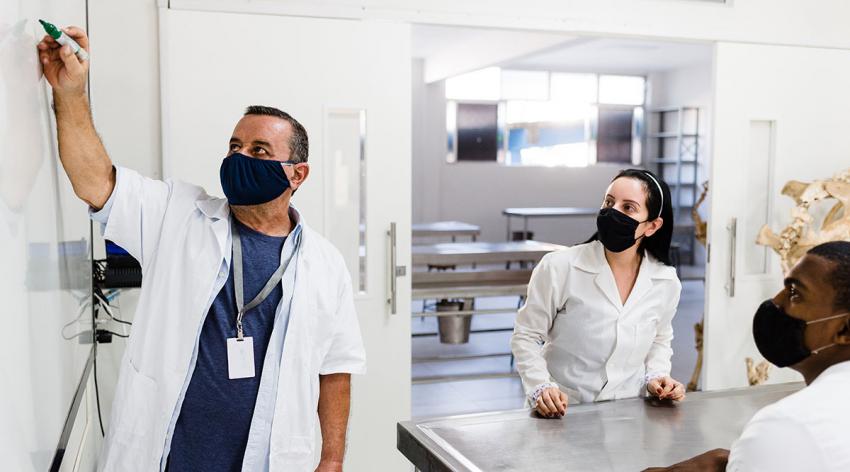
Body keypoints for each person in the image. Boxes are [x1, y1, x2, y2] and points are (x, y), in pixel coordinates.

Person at [37, 27, 365, 472]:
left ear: (297, 174)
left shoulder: (325, 264)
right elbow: (92, 179)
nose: (238, 157)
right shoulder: (177, 215)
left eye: (258, 150)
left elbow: (336, 368)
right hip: (168, 457)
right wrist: (70, 94)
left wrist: (331, 462)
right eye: (234, 146)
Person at [646, 241, 850, 472]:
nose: (776, 302)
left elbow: (790, 443)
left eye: (794, 293)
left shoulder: (786, 426)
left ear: (844, 330)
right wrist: (733, 461)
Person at [511, 169, 686, 418]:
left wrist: (657, 376)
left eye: (628, 208)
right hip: (562, 411)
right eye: (609, 202)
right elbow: (526, 336)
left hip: (628, 415)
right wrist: (541, 386)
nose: (613, 212)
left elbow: (659, 339)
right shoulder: (560, 267)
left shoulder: (665, 281)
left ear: (652, 226)